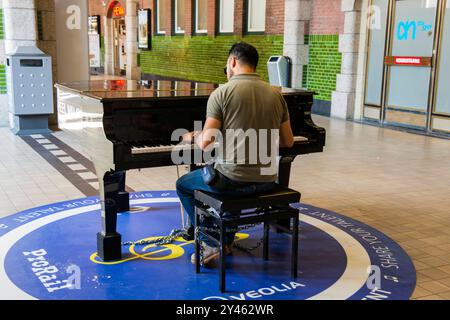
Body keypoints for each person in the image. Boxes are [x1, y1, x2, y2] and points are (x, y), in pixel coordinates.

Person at [176, 42, 295, 266]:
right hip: (267, 180)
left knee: (183, 185)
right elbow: (288, 141)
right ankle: (225, 239)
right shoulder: (276, 94)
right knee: (235, 178)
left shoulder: (222, 93)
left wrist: (194, 136)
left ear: (232, 61)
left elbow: (206, 143)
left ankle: (210, 241)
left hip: (232, 181)